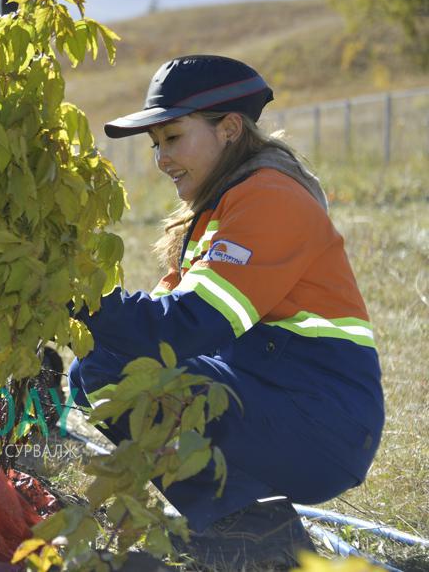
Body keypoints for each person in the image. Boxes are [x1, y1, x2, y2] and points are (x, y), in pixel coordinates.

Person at [68, 55, 384, 569]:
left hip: (321, 425)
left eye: (173, 138)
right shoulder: (225, 206)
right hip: (278, 404)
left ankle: (252, 538)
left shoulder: (269, 197)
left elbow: (185, 326)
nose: (161, 159)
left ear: (230, 128)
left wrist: (80, 298)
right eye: (156, 146)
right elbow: (160, 316)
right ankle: (253, 533)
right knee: (99, 367)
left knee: (109, 367)